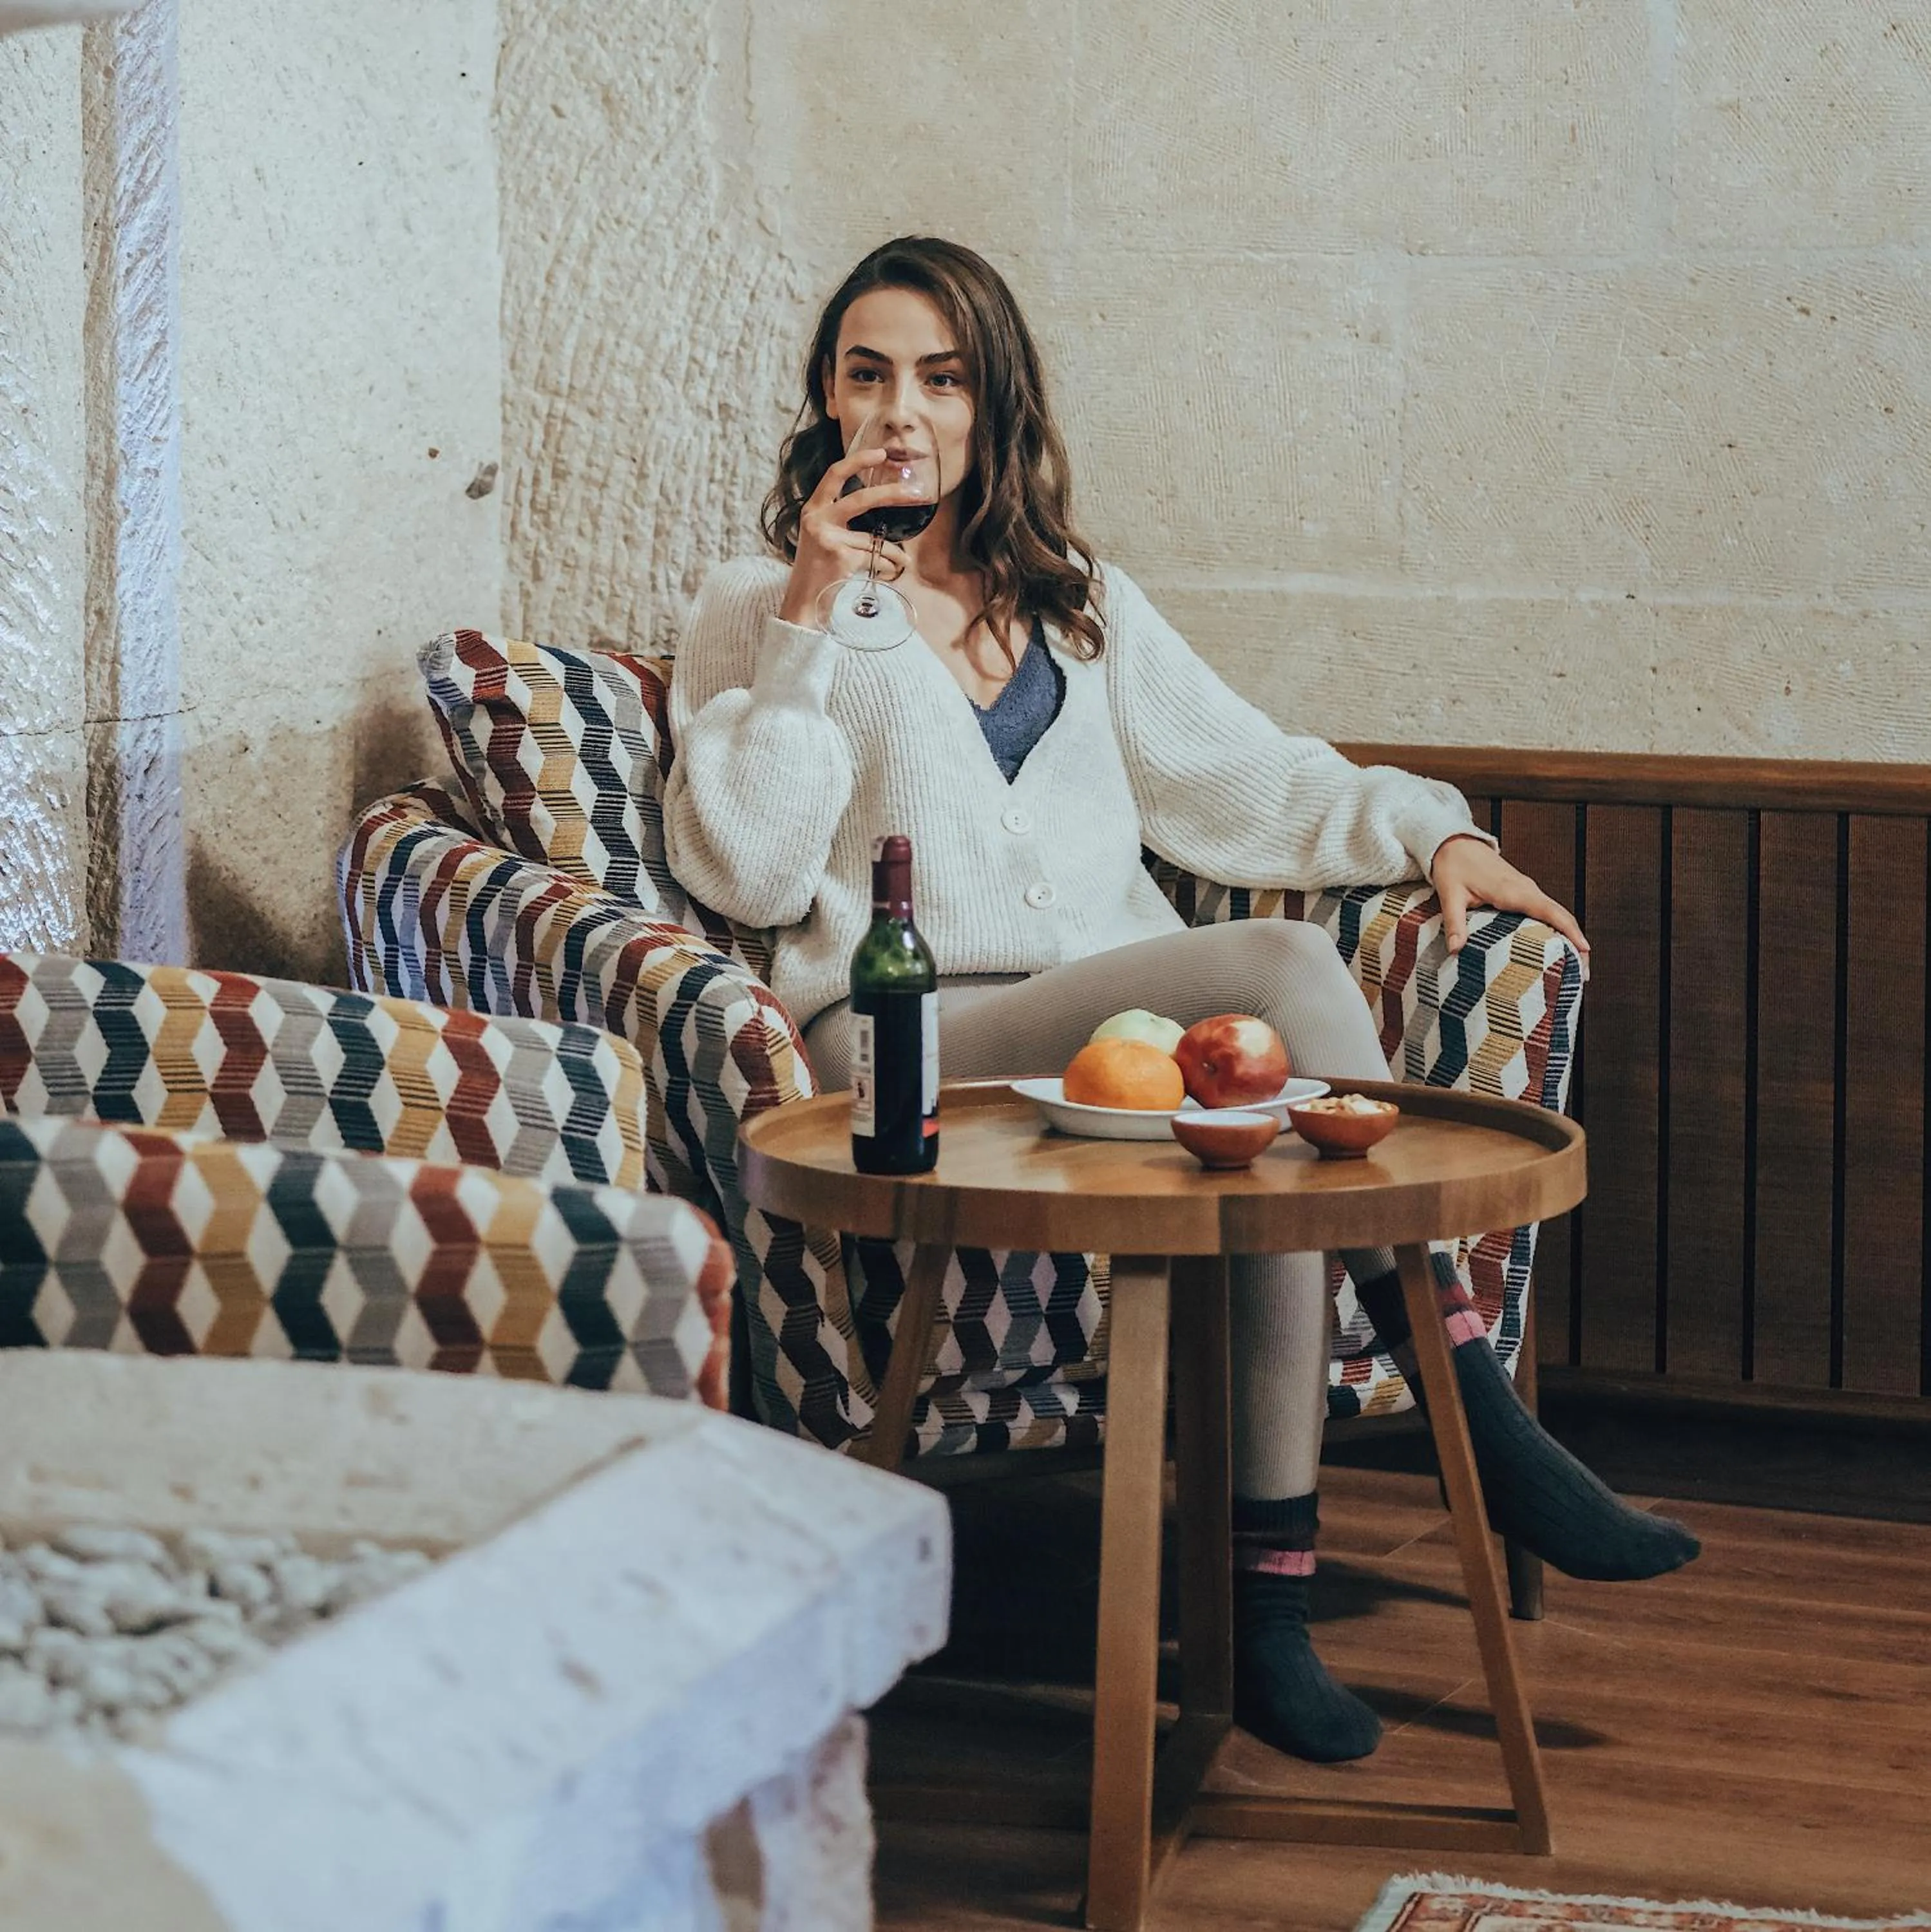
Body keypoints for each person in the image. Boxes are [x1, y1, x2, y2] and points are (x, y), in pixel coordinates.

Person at [664, 236, 1698, 1765]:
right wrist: (813, 614)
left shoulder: (1078, 606)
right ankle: (1468, 1395)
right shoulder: (758, 604)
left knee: (1258, 1131)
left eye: (938, 379)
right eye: (865, 375)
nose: (899, 412)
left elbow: (1249, 778)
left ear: (989, 403)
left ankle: (1266, 1620)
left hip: (1107, 1040)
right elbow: (742, 872)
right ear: (824, 405)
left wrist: (1438, 831)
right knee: (1281, 977)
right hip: (910, 1047)